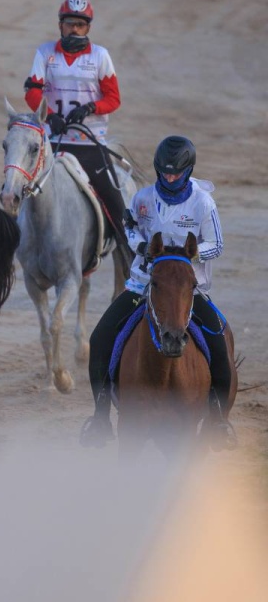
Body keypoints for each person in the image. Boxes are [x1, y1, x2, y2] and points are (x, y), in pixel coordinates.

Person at [80, 135, 236, 448]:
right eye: (164, 172)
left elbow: (216, 244)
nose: (169, 177)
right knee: (99, 338)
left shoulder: (203, 203)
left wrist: (185, 254)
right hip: (143, 284)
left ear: (188, 171)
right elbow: (132, 228)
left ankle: (218, 419)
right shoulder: (143, 198)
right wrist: (136, 241)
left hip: (189, 288)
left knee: (220, 343)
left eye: (176, 173)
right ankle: (100, 417)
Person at [24, 0, 131, 263]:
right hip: (53, 142)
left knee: (115, 201)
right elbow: (32, 91)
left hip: (89, 143)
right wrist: (49, 117)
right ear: (60, 25)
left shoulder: (100, 57)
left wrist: (91, 108)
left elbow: (113, 98)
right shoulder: (45, 53)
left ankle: (132, 259)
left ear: (88, 28)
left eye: (80, 25)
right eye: (70, 24)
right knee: (18, 188)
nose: (75, 29)